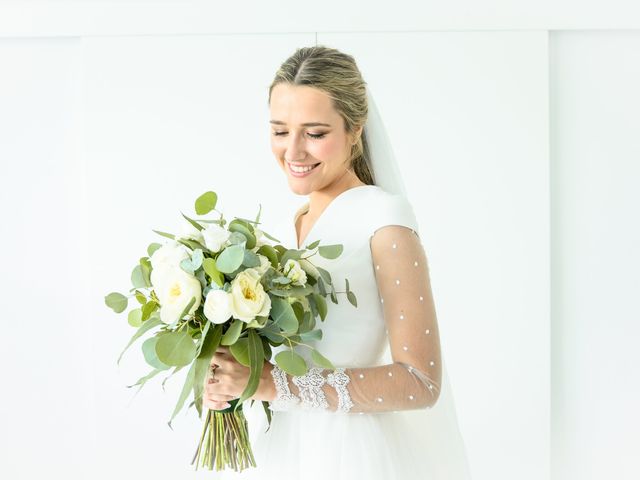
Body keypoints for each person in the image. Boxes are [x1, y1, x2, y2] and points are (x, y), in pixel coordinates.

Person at [203, 45, 472, 479]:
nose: (293, 151)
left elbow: (421, 381)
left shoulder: (384, 218)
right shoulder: (288, 223)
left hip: (351, 455)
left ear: (355, 130)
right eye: (279, 130)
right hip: (284, 447)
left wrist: (272, 383)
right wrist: (228, 372)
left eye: (314, 133)